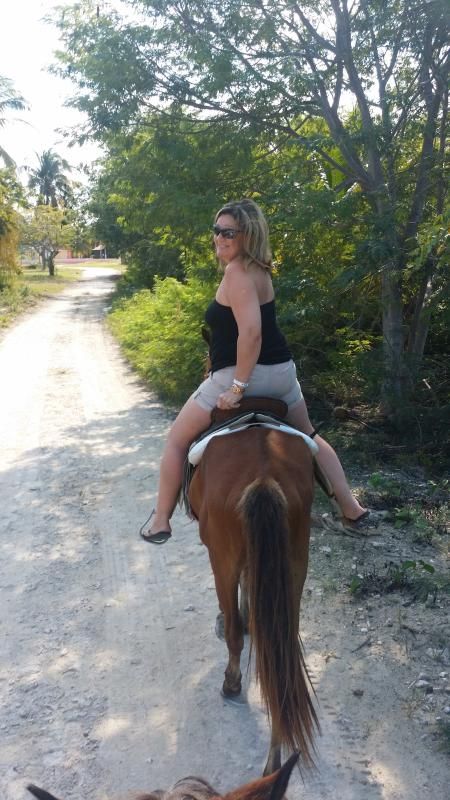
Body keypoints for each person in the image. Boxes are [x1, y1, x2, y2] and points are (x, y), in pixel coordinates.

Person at [140, 198, 372, 545]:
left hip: (241, 375)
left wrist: (237, 388)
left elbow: (251, 333)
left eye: (228, 232)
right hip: (281, 376)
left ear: (248, 235)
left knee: (177, 440)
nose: (219, 237)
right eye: (216, 230)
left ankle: (160, 520)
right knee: (309, 434)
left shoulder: (237, 272)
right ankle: (351, 508)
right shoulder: (261, 269)